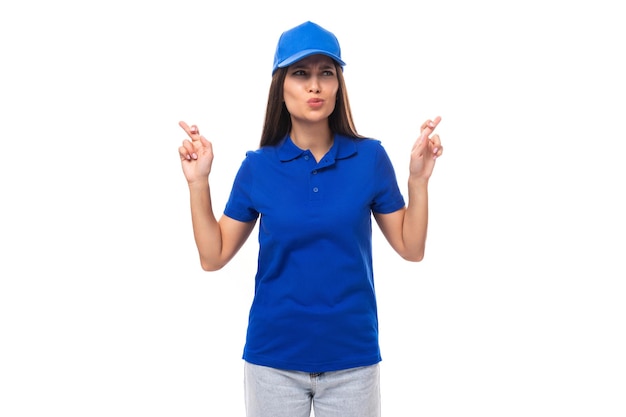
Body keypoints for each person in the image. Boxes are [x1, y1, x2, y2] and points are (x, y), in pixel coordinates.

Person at [178, 20, 442, 417]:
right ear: (280, 88)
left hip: (352, 361)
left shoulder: (370, 159)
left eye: (326, 74)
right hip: (273, 363)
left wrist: (418, 180)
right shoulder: (258, 167)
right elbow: (212, 257)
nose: (315, 86)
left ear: (339, 86)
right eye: (301, 74)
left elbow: (411, 248)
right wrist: (199, 183)